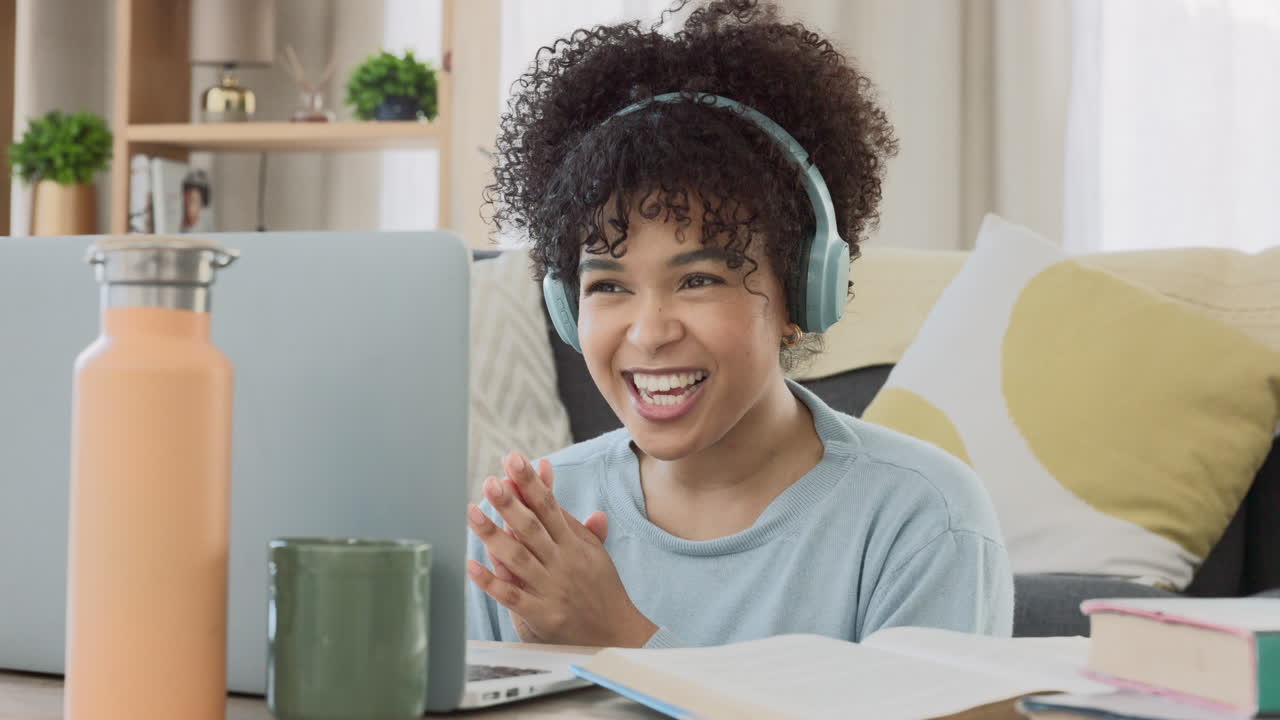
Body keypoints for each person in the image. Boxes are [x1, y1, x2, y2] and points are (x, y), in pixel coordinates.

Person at [467, 0, 1013, 649]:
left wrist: (621, 640)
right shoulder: (531, 528)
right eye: (609, 285)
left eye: (699, 280)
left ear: (802, 294)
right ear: (566, 306)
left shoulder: (921, 521)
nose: (648, 332)